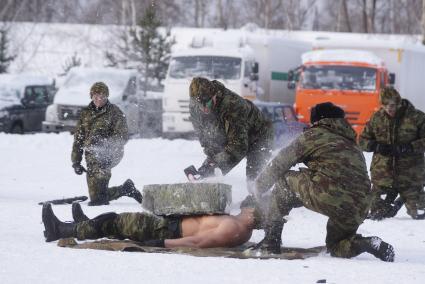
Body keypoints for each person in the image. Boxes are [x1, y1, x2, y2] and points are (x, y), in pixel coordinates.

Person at [252, 102, 395, 262]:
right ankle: (367, 244)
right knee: (337, 246)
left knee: (284, 182)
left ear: (319, 120)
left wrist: (257, 188)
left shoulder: (314, 135)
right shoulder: (350, 142)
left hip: (330, 195)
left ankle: (271, 241)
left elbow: (279, 164)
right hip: (359, 205)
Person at [41, 196, 260, 249]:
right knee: (116, 222)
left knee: (116, 222)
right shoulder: (236, 221)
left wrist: (162, 243)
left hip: (166, 230)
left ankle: (60, 229)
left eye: (251, 206)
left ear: (253, 214)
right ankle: (86, 225)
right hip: (168, 223)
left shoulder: (234, 227)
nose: (247, 205)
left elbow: (198, 241)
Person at [188, 77, 273, 185]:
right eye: (201, 105)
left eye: (208, 103)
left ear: (214, 95)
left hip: (260, 134)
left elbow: (239, 147)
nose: (205, 109)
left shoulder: (233, 105)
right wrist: (209, 164)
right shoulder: (195, 108)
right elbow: (205, 138)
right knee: (209, 173)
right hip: (232, 134)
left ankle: (261, 199)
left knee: (255, 181)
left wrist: (216, 166)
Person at [359, 86, 425, 220]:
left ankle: (405, 198)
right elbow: (362, 140)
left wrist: (410, 147)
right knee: (378, 215)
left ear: (399, 102)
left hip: (411, 177)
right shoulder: (377, 118)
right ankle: (393, 202)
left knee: (419, 215)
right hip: (383, 177)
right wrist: (375, 146)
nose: (389, 109)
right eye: (385, 105)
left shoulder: (417, 117)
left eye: (392, 105)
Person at [71, 82, 142, 206]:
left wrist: (106, 146)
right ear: (91, 96)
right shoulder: (85, 113)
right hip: (91, 156)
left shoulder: (115, 112)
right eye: (96, 96)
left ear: (107, 97)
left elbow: (122, 136)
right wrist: (76, 161)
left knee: (100, 199)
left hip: (110, 154)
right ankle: (126, 189)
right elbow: (79, 138)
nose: (99, 99)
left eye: (102, 97)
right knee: (95, 197)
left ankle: (104, 193)